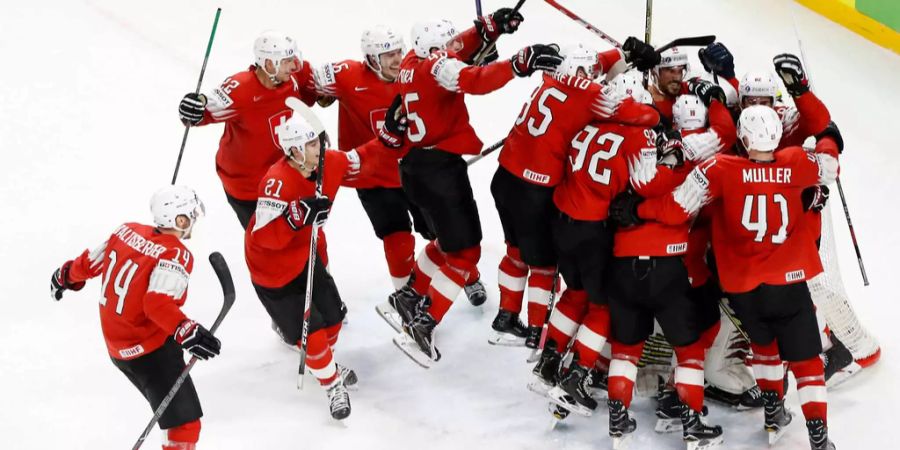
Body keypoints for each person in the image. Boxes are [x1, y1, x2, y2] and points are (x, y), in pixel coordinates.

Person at [620, 105, 839, 449]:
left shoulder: (721, 167)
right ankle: (818, 436)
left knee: (764, 347)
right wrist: (828, 138)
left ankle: (773, 411)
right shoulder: (796, 161)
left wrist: (636, 209)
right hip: (788, 280)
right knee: (806, 360)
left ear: (744, 137)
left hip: (743, 286)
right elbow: (829, 167)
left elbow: (677, 208)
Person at [383, 12, 565, 366]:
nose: (454, 47)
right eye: (447, 45)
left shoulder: (412, 59)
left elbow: (455, 49)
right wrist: (518, 64)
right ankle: (424, 323)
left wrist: (488, 29)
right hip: (440, 173)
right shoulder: (438, 67)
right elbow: (475, 80)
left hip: (415, 167)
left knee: (448, 241)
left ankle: (409, 296)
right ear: (434, 49)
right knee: (465, 255)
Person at [489, 44, 660, 348]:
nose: (597, 77)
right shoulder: (591, 95)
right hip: (535, 190)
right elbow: (640, 115)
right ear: (581, 72)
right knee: (543, 265)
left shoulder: (552, 77)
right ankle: (535, 333)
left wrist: (624, 54)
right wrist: (655, 114)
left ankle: (505, 317)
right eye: (591, 73)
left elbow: (590, 64)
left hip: (504, 177)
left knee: (515, 250)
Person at [244, 102, 403, 419]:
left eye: (318, 141)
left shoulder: (328, 163)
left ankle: (316, 356)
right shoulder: (277, 182)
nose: (320, 148)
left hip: (305, 259)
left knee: (332, 321)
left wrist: (390, 135)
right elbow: (260, 239)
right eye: (311, 144)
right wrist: (293, 217)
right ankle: (331, 384)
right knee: (314, 334)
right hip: (273, 274)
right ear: (293, 151)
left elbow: (363, 159)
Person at [49, 186, 220, 450]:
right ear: (180, 220)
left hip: (117, 347)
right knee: (184, 425)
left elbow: (91, 264)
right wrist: (187, 330)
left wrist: (66, 276)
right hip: (148, 352)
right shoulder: (176, 253)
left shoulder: (126, 231)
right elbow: (156, 304)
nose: (194, 220)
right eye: (191, 215)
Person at [312, 26, 435, 292]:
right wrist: (317, 98)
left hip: (415, 169)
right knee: (396, 238)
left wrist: (483, 48)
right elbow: (302, 82)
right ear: (370, 59)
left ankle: (469, 277)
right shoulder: (347, 75)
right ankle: (406, 298)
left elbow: (456, 69)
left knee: (443, 231)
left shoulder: (416, 71)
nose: (396, 59)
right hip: (372, 175)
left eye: (398, 51)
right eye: (387, 54)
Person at [178, 30, 319, 230]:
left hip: (281, 174)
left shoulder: (294, 75)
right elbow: (201, 112)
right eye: (287, 61)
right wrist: (194, 106)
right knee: (268, 242)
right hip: (244, 185)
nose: (294, 66)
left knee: (296, 236)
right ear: (269, 64)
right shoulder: (241, 89)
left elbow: (314, 86)